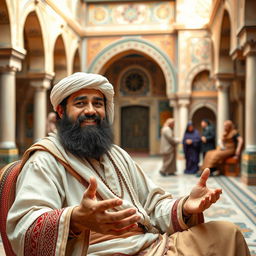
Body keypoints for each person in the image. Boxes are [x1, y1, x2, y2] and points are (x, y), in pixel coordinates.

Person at [7, 73, 250, 256]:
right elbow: (23, 229)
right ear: (61, 112)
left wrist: (186, 206)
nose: (91, 110)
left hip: (149, 245)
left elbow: (154, 206)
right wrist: (76, 219)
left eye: (98, 103)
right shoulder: (46, 160)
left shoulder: (116, 155)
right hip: (103, 252)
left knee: (228, 234)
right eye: (80, 103)